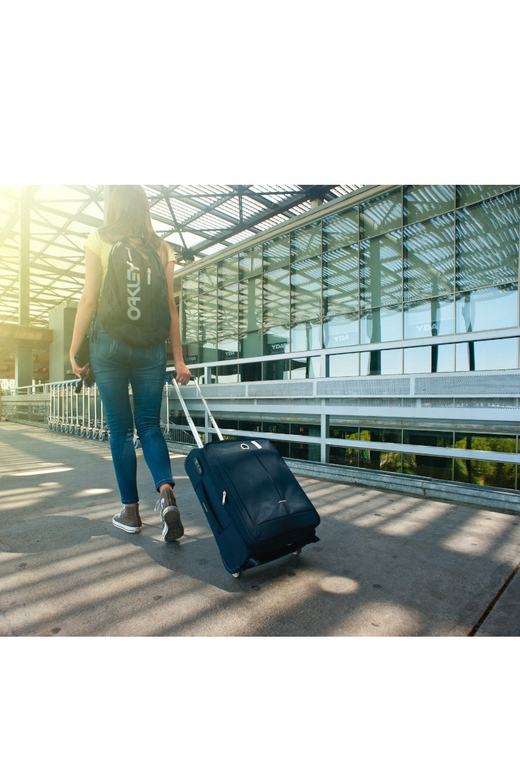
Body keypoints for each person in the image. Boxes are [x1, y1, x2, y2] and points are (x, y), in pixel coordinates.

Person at [69, 185, 191, 541]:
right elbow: (171, 308)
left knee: (121, 430)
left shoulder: (100, 238)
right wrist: (179, 359)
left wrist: (75, 349)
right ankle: (166, 494)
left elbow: (89, 298)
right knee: (150, 426)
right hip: (150, 349)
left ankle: (131, 511)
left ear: (113, 204)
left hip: (108, 345)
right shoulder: (161, 247)